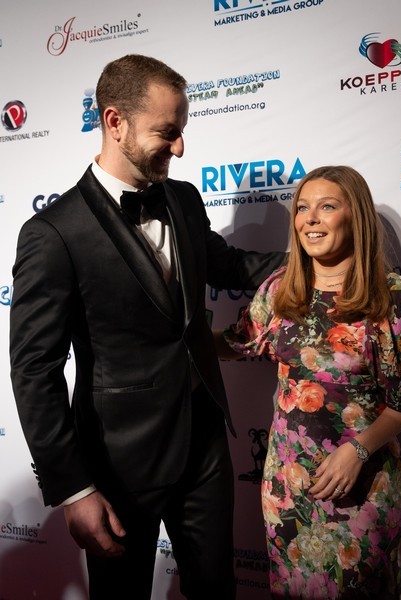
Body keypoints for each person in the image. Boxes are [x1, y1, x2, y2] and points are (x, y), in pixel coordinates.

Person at [9, 54, 285, 600]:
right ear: (115, 122)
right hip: (118, 463)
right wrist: (74, 489)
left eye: (182, 131)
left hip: (204, 444)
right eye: (167, 132)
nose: (180, 148)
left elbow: (227, 265)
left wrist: (319, 268)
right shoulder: (53, 233)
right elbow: (35, 371)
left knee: (217, 591)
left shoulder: (183, 198)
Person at [220, 166, 401, 599]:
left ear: (354, 216)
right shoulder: (280, 289)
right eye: (303, 208)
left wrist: (357, 450)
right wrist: (167, 336)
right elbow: (238, 341)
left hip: (363, 486)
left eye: (326, 207)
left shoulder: (389, 295)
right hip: (289, 487)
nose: (310, 218)